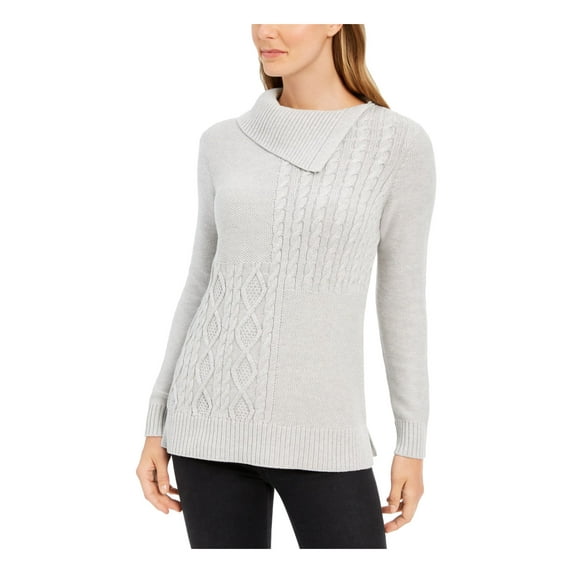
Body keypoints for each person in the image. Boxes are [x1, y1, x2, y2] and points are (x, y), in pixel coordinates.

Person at [136, 23, 436, 549]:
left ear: (335, 20)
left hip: (326, 435)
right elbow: (200, 282)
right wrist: (156, 421)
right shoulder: (222, 141)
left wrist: (411, 442)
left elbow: (402, 302)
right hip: (205, 427)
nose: (265, 30)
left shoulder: (398, 144)